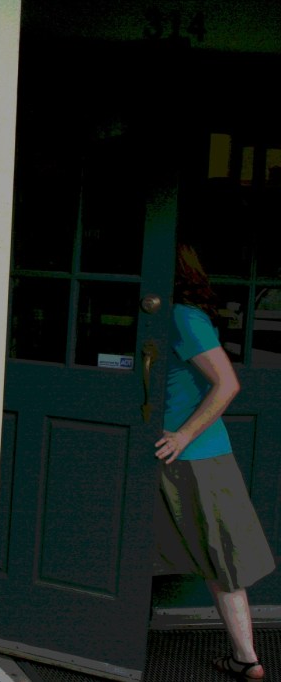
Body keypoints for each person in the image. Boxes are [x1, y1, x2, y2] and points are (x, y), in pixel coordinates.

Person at [153, 243, 275, 681]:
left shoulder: (182, 316)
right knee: (212, 557)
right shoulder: (166, 314)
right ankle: (247, 659)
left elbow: (227, 384)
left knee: (222, 558)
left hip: (195, 456)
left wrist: (184, 435)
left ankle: (248, 658)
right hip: (172, 456)